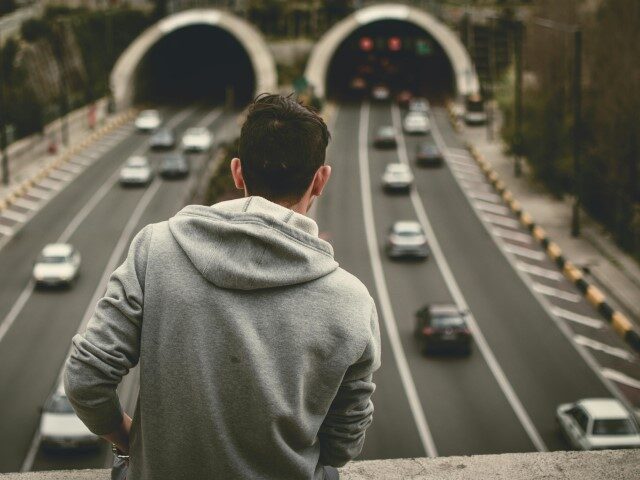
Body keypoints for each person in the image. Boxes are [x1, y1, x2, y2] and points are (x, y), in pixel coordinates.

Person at [64, 94, 381, 480]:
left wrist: (128, 439)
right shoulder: (351, 300)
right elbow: (344, 442)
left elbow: (86, 379)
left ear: (237, 172)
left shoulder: (156, 249)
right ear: (320, 180)